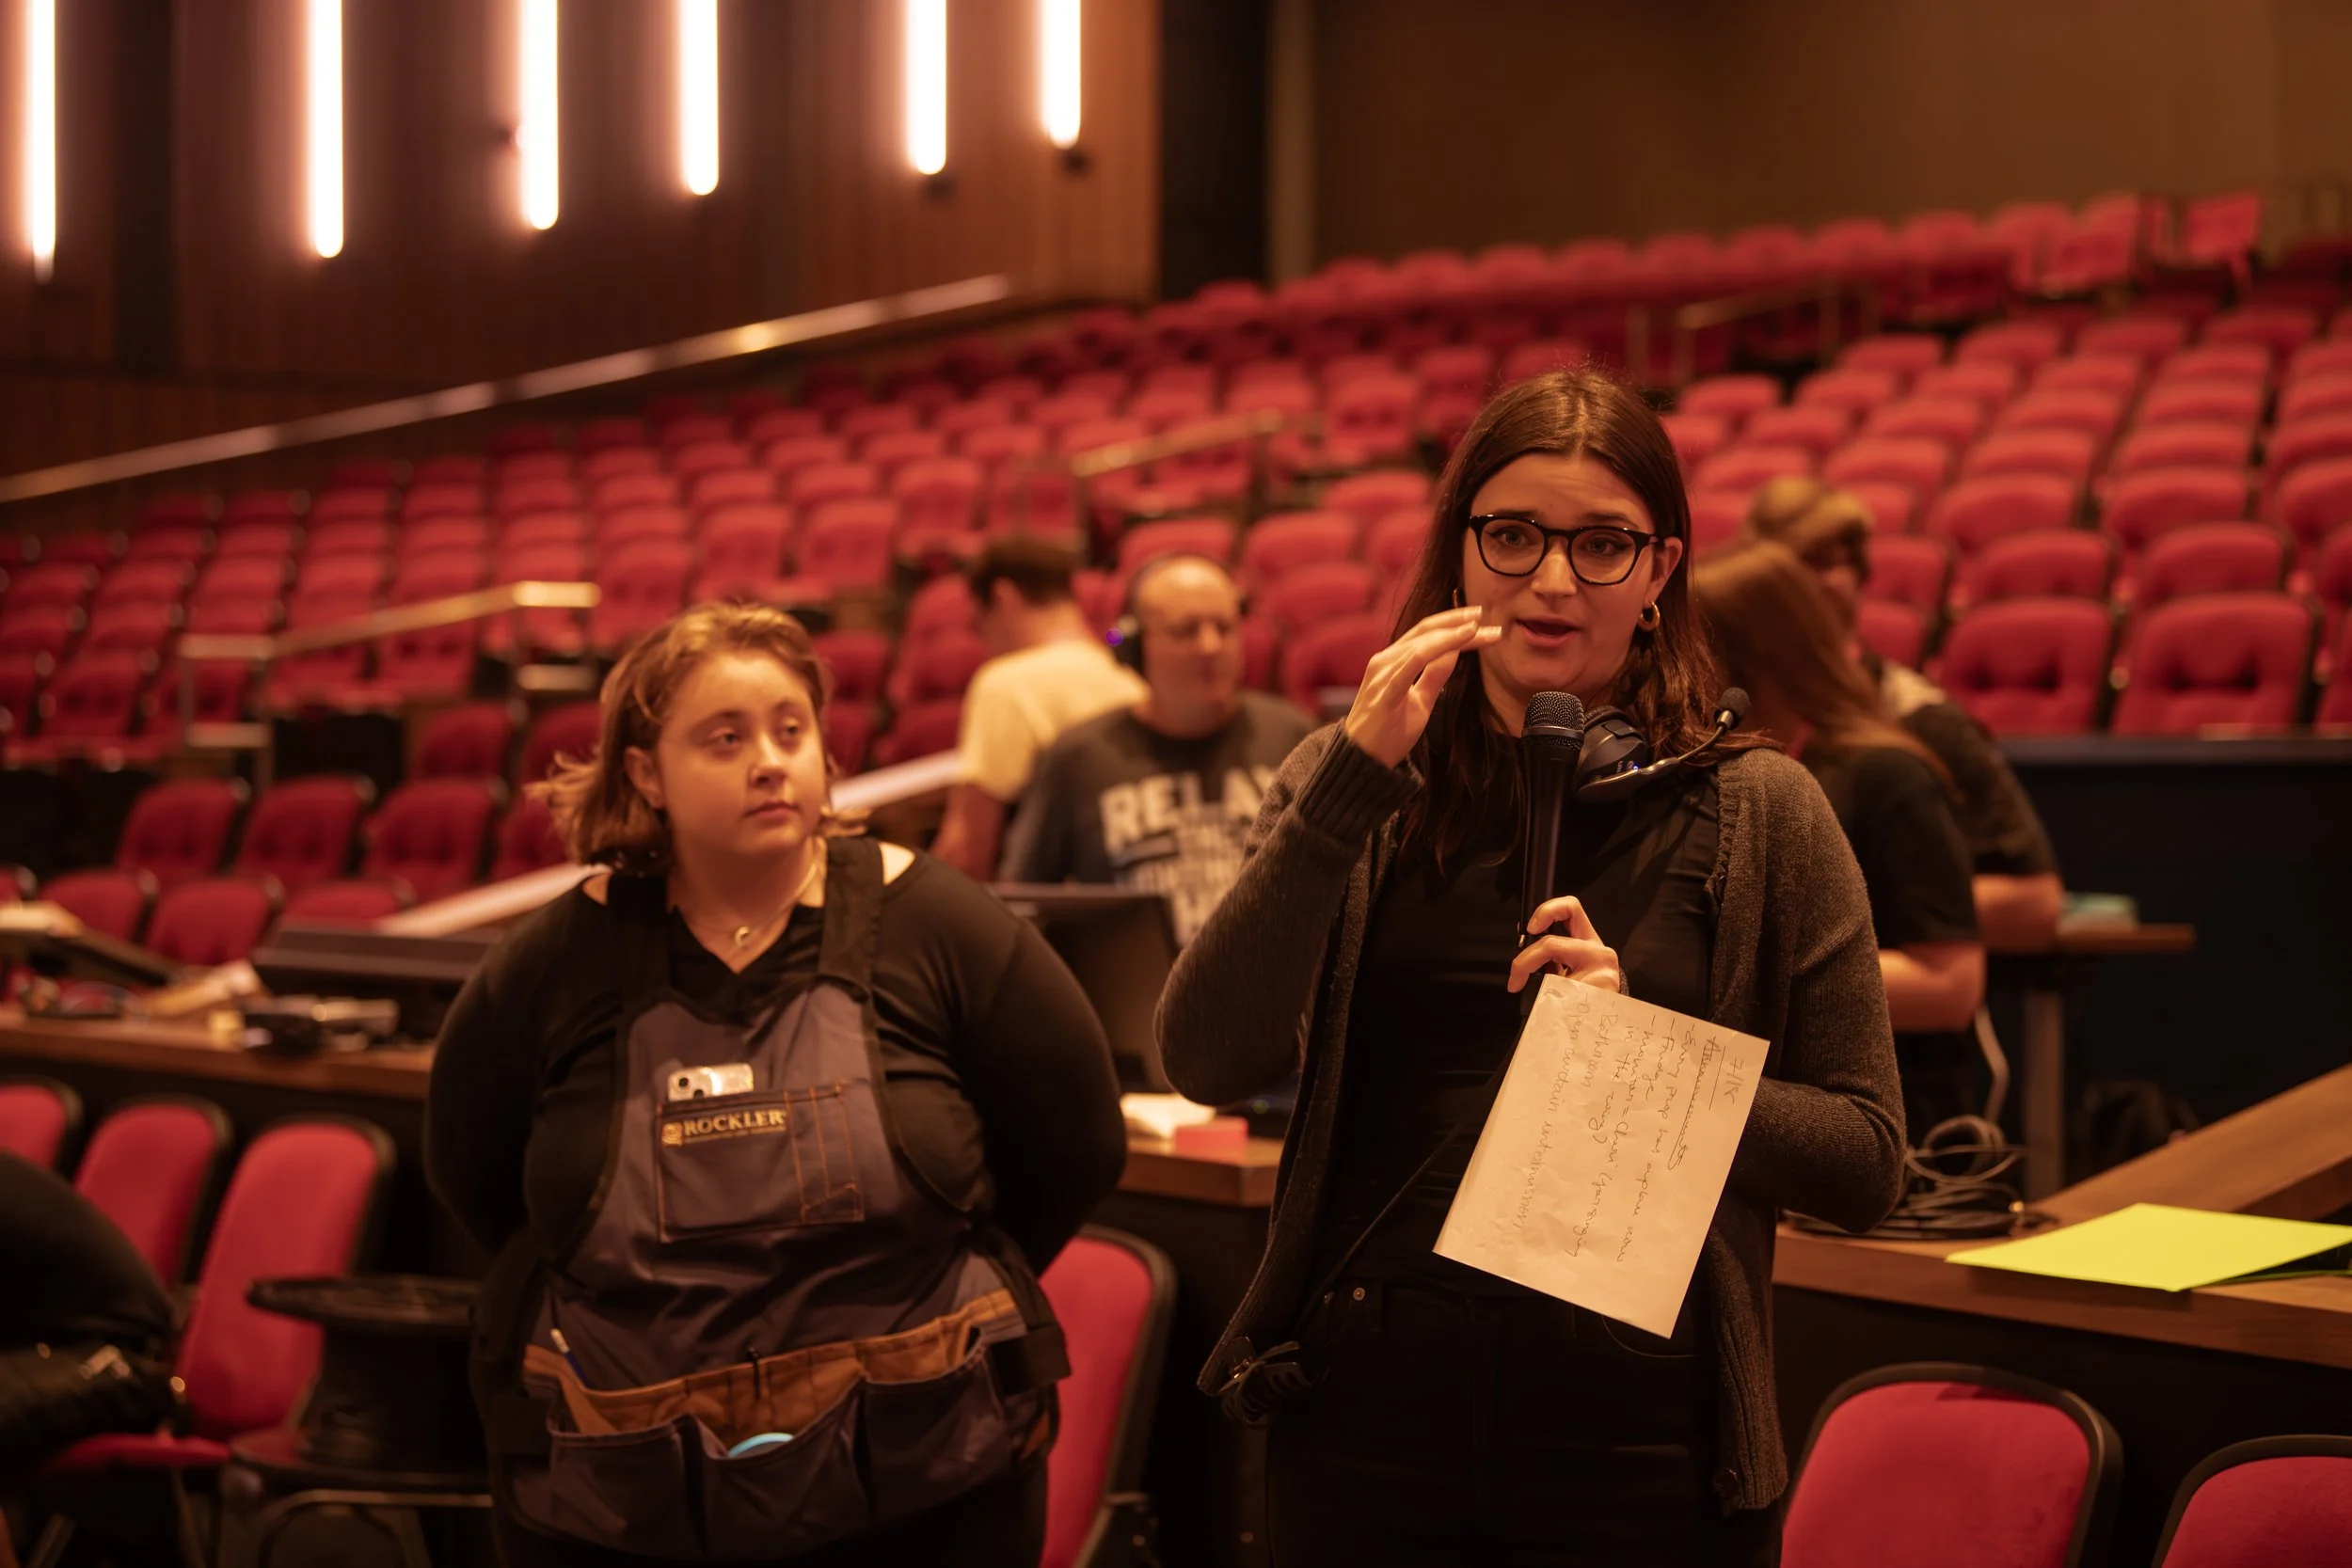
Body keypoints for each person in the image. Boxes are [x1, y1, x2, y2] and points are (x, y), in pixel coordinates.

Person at [1157, 369, 1906, 1566]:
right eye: (1512, 535)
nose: (1552, 580)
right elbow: (1207, 1056)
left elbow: (1865, 1158)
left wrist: (1646, 1057)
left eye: (1602, 543)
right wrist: (1345, 791)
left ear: (1661, 571)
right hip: (1363, 1420)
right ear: (1458, 552)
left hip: (1639, 1443)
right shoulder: (1353, 782)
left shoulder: (1764, 808)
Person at [425, 601, 1127, 1568]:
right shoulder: (551, 961)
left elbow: (1078, 1146)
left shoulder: (940, 924)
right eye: (725, 737)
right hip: (623, 1497)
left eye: (790, 730)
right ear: (644, 771)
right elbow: (475, 1176)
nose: (770, 758)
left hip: (929, 1488)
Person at [1693, 538, 1988, 1138]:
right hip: (1781, 1110)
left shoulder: (1885, 773)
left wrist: (1753, 980)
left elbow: (1952, 985)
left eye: (1697, 650)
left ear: (1761, 658)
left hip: (1896, 1122)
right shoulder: (1728, 770)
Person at [1743, 476, 2065, 949]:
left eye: (1825, 563)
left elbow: (2034, 904)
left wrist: (1843, 922)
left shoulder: (1920, 720)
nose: (1803, 585)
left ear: (1859, 575)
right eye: (1789, 566)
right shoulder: (1735, 712)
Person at [1000, 554, 1315, 941]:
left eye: (1224, 626)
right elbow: (1021, 904)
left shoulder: (1294, 737)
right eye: (1185, 631)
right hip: (1138, 996)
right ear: (1131, 646)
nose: (1210, 646)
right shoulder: (1079, 758)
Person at [929, 537, 1149, 880]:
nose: (982, 641)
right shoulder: (1129, 678)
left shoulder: (1006, 684)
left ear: (1003, 596)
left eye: (979, 623)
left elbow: (968, 850)